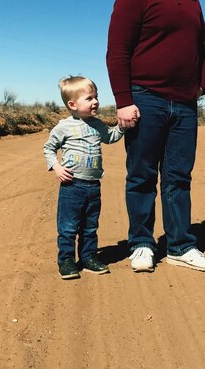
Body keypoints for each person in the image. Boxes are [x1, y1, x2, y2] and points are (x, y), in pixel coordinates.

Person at [106, 0, 205, 273]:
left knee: (178, 177)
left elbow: (204, 45)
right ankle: (141, 243)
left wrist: (202, 83)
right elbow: (118, 52)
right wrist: (123, 101)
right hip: (145, 99)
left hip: (184, 105)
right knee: (140, 176)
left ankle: (181, 245)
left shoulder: (192, 1)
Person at [44, 76, 124, 279]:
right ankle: (67, 260)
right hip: (72, 185)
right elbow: (49, 148)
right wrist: (56, 167)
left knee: (90, 226)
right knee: (68, 227)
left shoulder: (98, 125)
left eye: (96, 96)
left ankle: (88, 257)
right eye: (89, 98)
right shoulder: (64, 126)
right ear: (72, 104)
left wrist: (122, 127)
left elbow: (111, 137)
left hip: (93, 186)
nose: (96, 101)